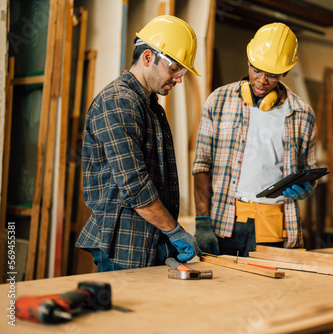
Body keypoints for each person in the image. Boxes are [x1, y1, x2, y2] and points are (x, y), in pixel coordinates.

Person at [76, 16, 202, 272]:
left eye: (182, 71)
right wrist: (175, 231)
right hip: (124, 246)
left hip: (151, 241)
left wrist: (168, 237)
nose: (179, 78)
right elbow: (135, 186)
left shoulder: (150, 106)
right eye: (174, 68)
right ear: (147, 58)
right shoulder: (118, 101)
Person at [193, 23, 317, 257]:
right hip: (226, 223)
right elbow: (202, 164)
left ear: (285, 73)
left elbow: (308, 171)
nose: (261, 81)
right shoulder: (218, 101)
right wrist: (202, 221)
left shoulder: (302, 113)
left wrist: (305, 188)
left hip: (276, 226)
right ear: (248, 61)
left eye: (271, 75)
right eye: (256, 70)